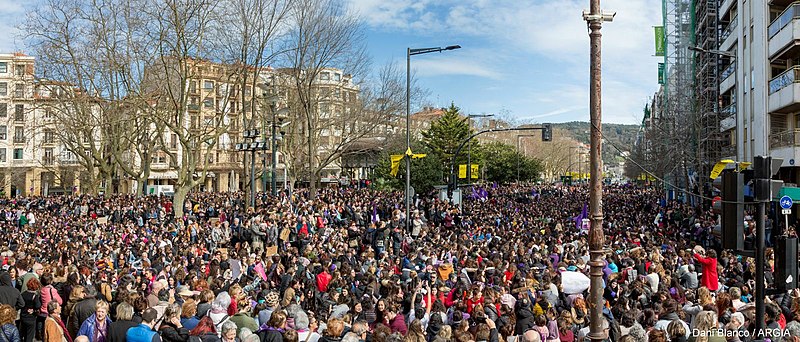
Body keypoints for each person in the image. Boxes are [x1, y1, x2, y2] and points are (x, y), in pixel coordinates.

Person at [19, 278, 42, 342]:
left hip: (23, 316)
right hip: (31, 318)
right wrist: (34, 310)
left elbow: (20, 304)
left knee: (22, 333)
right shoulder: (34, 296)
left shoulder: (23, 294)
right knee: (29, 336)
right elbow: (38, 306)